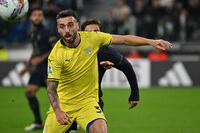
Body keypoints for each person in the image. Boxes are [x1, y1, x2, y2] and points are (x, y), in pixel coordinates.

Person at [43, 10, 172, 133]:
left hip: (87, 102)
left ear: (77, 26)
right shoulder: (55, 55)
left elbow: (124, 39)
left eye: (70, 25)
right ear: (58, 29)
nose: (67, 30)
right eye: (62, 26)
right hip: (64, 104)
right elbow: (51, 88)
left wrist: (151, 42)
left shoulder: (93, 38)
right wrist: (58, 111)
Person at [67, 18, 140, 132]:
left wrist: (134, 94)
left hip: (93, 100)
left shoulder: (107, 52)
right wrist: (98, 65)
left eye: (96, 32)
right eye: (88, 32)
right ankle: (75, 125)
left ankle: (77, 125)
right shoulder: (71, 49)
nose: (93, 35)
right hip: (69, 100)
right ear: (81, 34)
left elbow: (127, 67)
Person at [20, 8, 57, 131]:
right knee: (29, 92)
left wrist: (41, 58)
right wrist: (27, 66)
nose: (37, 17)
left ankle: (71, 123)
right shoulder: (32, 33)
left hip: (49, 69)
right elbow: (35, 50)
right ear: (30, 18)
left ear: (43, 18)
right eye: (34, 15)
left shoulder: (47, 32)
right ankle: (38, 122)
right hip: (39, 69)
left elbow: (55, 48)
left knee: (56, 98)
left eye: (39, 15)